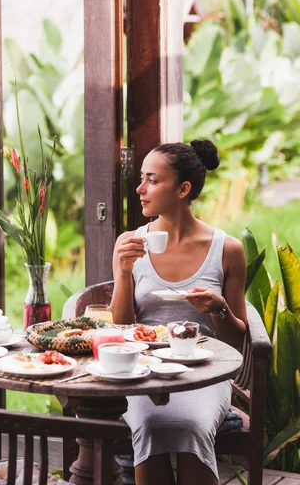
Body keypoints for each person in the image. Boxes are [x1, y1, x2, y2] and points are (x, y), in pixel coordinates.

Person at [110, 140, 247, 485]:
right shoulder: (130, 243)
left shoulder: (227, 250)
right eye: (142, 178)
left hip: (206, 374)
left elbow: (235, 341)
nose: (140, 189)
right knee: (152, 424)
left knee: (193, 425)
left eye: (153, 180)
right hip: (143, 372)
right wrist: (123, 273)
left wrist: (219, 310)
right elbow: (122, 326)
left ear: (183, 189)